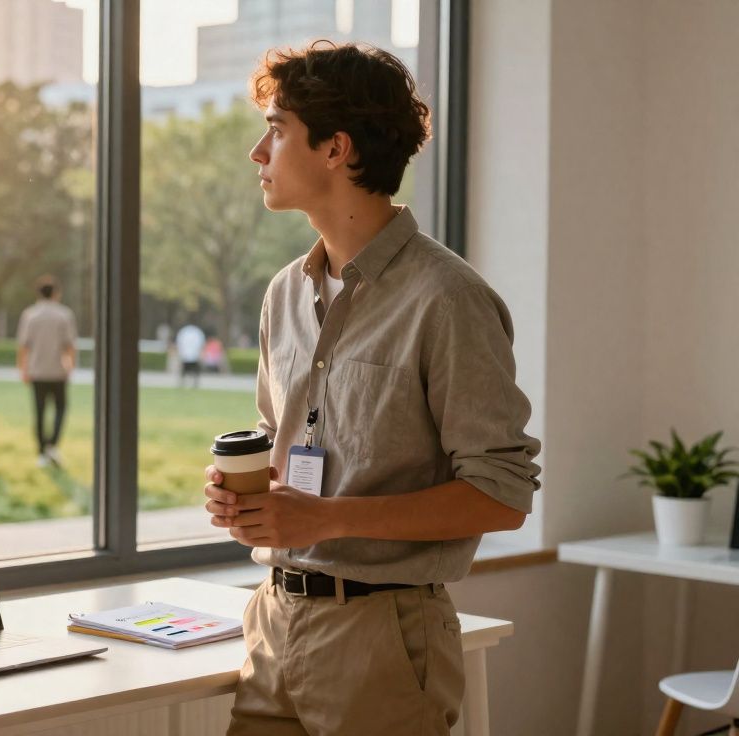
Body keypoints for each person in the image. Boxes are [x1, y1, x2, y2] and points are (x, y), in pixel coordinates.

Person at [203, 41, 541, 736]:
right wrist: (245, 496)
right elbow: (279, 442)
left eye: (277, 130)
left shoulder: (447, 299)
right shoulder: (283, 295)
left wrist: (327, 519)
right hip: (272, 624)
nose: (257, 153)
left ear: (336, 149)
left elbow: (503, 495)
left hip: (383, 636)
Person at [16, 276, 78, 467]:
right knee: (60, 409)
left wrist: (23, 369)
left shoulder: (29, 315)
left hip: (37, 371)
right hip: (58, 371)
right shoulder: (64, 315)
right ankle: (53, 445)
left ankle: (42, 452)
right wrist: (71, 366)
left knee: (40, 412)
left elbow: (23, 346)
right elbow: (70, 346)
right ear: (56, 294)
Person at [175, 323, 206, 388]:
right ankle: (185, 383)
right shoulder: (196, 332)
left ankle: (192, 383)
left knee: (191, 370)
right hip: (189, 355)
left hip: (190, 355)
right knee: (187, 370)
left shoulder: (186, 332)